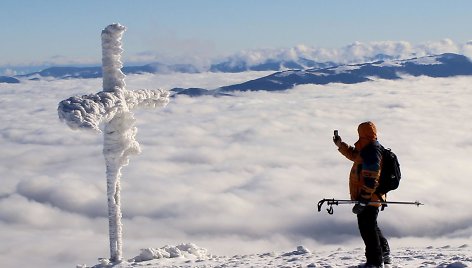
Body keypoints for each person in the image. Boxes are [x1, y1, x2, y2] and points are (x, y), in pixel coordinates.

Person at [333, 121, 391, 268]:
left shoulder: (372, 151)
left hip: (369, 197)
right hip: (372, 197)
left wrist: (363, 200)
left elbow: (372, 177)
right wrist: (341, 145)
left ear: (362, 133)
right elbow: (355, 156)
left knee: (367, 228)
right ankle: (384, 253)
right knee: (371, 225)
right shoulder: (370, 148)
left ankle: (375, 262)